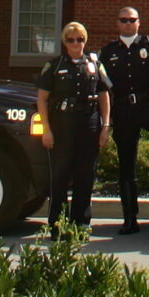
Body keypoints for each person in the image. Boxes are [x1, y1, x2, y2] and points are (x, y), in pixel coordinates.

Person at [99, 6, 149, 235]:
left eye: (132, 20)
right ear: (117, 23)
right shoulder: (108, 52)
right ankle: (130, 218)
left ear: (139, 22)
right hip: (123, 108)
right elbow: (100, 84)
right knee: (126, 166)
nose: (128, 24)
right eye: (124, 20)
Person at [36, 20, 110, 233]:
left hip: (89, 123)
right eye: (71, 40)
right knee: (60, 174)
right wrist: (46, 129)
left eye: (80, 39)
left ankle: (81, 223)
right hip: (62, 124)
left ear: (85, 41)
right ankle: (57, 225)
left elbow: (104, 95)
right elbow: (42, 99)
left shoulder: (95, 64)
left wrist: (105, 125)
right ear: (64, 42)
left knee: (85, 174)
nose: (76, 43)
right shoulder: (55, 65)